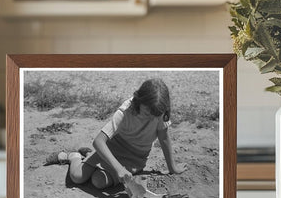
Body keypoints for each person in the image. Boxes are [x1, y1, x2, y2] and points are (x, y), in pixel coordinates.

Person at [47, 78, 187, 191]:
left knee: (98, 181)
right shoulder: (126, 111)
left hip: (135, 158)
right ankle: (74, 156)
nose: (151, 118)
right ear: (139, 102)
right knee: (77, 177)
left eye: (155, 115)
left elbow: (164, 139)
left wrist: (172, 168)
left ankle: (90, 156)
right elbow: (98, 141)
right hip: (113, 149)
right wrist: (119, 168)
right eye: (146, 113)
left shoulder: (159, 112)